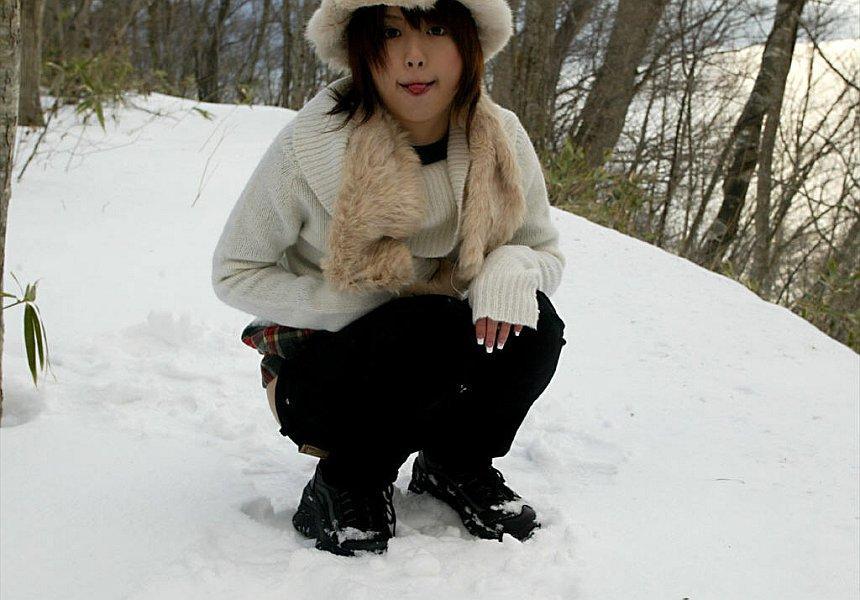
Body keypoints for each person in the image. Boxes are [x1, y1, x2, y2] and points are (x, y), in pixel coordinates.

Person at [212, 0, 567, 557]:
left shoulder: (501, 137)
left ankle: (453, 465)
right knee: (423, 323)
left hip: (440, 346)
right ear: (358, 47)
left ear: (470, 42)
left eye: (435, 30)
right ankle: (346, 480)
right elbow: (235, 271)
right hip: (325, 370)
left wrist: (508, 267)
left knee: (534, 323)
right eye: (390, 33)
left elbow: (542, 249)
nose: (413, 57)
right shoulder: (312, 144)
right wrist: (351, 306)